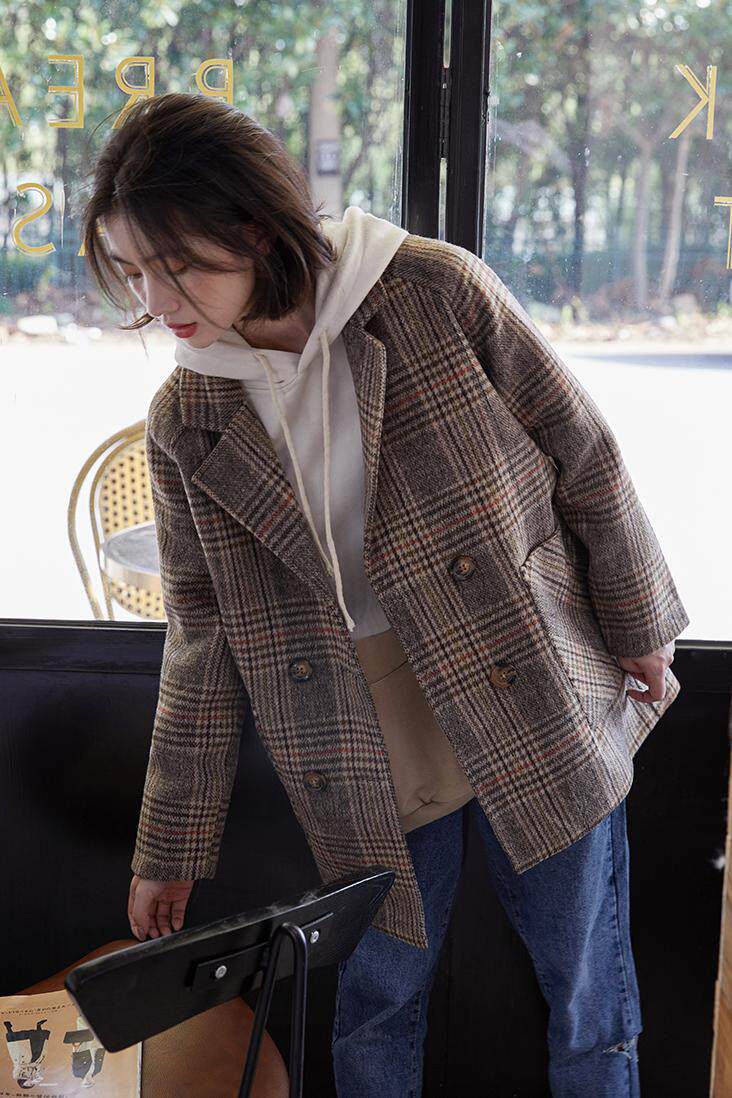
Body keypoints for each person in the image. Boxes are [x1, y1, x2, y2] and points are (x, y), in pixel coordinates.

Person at [80, 91, 689, 1097]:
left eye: (176, 263)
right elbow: (201, 636)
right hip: (354, 727)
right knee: (376, 999)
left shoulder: (430, 291)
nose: (156, 299)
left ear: (255, 227)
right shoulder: (189, 416)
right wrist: (170, 847)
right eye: (132, 269)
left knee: (586, 990)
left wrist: (637, 627)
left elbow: (584, 454)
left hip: (528, 679)